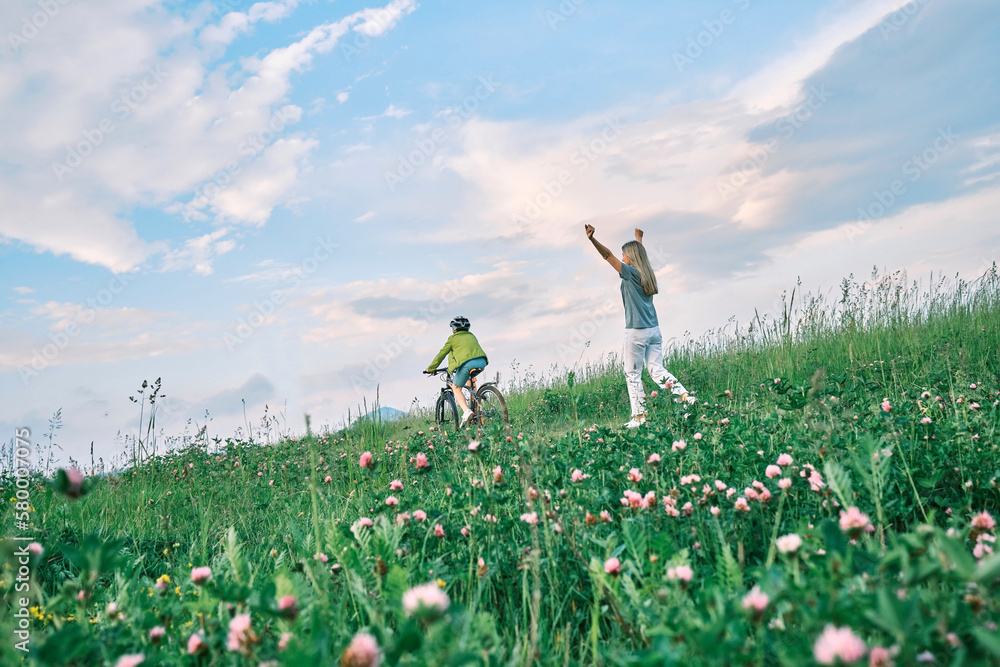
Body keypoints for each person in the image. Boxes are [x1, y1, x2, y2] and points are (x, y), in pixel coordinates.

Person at [585, 224, 696, 428]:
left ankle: (640, 417)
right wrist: (639, 240)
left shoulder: (628, 273)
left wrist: (592, 240)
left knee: (632, 374)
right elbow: (639, 257)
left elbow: (607, 255)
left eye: (624, 255)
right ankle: (686, 398)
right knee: (657, 371)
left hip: (636, 332)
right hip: (654, 330)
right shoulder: (646, 273)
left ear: (630, 258)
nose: (622, 258)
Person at [424, 316, 489, 428]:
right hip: (482, 362)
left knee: (456, 388)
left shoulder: (452, 338)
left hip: (467, 364)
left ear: (454, 329)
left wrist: (431, 368)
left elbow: (442, 354)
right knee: (470, 380)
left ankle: (467, 412)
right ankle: (477, 407)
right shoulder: (471, 335)